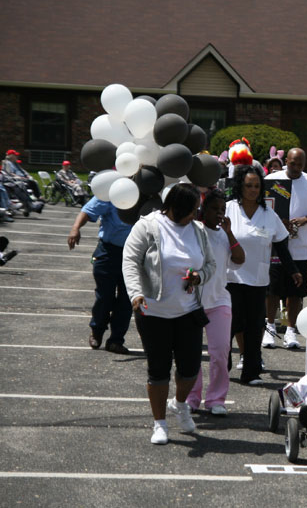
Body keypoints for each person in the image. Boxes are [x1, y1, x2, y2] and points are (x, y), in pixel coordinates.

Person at [121, 183, 215, 445]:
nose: (196, 215)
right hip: (153, 311)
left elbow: (211, 264)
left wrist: (199, 276)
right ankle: (159, 424)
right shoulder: (148, 226)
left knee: (190, 369)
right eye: (193, 210)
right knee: (159, 370)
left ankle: (180, 404)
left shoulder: (197, 231)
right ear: (176, 207)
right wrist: (135, 293)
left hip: (188, 311)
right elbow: (130, 260)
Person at [227, 165, 301, 384]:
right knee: (229, 327)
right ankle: (222, 369)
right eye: (248, 185)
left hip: (258, 281)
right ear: (240, 186)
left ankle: (251, 372)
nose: (253, 190)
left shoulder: (270, 215)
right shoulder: (228, 209)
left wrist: (293, 271)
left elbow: (281, 247)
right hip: (230, 279)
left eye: (257, 186)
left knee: (254, 326)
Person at [186, 190, 245, 415]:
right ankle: (191, 397)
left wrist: (229, 233)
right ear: (203, 210)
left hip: (219, 300)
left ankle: (216, 399)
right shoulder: (193, 232)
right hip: (191, 301)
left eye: (222, 209)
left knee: (220, 352)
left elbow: (240, 259)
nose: (219, 213)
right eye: (214, 209)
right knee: (191, 354)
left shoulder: (223, 235)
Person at [265, 148, 307, 349]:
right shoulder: (273, 179)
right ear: (287, 162)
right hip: (274, 245)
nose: (295, 168)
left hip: (299, 246)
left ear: (305, 164)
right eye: (292, 164)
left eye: (299, 165)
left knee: (296, 290)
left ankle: (291, 330)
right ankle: (269, 327)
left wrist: (303, 220)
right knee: (273, 288)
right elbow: (263, 206)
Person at [68, 196, 133, 353]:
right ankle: (97, 331)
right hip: (108, 251)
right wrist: (75, 228)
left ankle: (116, 340)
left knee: (127, 299)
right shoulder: (113, 191)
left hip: (134, 255)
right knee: (104, 296)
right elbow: (88, 210)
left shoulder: (148, 191)